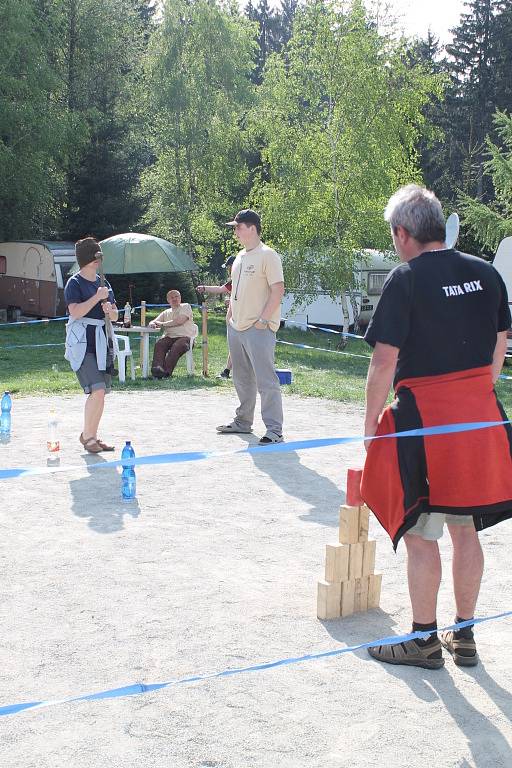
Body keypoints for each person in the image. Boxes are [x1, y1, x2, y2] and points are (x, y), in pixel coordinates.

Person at [361, 184, 512, 670]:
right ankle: (463, 635)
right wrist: (477, 390)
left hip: (427, 420)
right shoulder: (486, 274)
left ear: (403, 233)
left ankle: (424, 640)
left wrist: (370, 429)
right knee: (467, 532)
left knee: (422, 533)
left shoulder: (404, 278)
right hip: (481, 415)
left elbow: (383, 362)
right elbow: (500, 344)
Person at [216, 209, 285, 445]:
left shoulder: (268, 255)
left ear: (252, 228)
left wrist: (263, 320)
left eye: (238, 226)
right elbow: (235, 290)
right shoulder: (240, 257)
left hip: (259, 327)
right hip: (237, 326)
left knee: (266, 380)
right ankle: (243, 422)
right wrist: (231, 317)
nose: (235, 231)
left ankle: (275, 430)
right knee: (241, 378)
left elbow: (278, 290)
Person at [64, 237, 118, 453]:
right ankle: (88, 437)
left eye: (99, 257)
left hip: (101, 340)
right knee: (96, 389)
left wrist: (110, 311)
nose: (98, 261)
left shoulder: (104, 282)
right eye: (94, 257)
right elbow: (75, 312)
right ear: (86, 259)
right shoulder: (74, 283)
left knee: (101, 391)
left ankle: (91, 436)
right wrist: (96, 298)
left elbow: (114, 316)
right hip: (82, 342)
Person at [197, 255, 235, 379]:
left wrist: (234, 301)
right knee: (234, 346)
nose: (228, 270)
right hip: (233, 319)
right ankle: (227, 371)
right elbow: (220, 289)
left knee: (242, 346)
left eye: (229, 267)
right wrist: (204, 288)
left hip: (243, 319)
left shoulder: (246, 280)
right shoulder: (233, 281)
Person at [149, 289, 198, 378]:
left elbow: (179, 321)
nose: (175, 299)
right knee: (160, 344)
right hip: (169, 337)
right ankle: (157, 369)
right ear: (168, 300)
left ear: (180, 298)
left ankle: (165, 373)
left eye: (177, 296)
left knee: (177, 346)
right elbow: (154, 321)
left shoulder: (186, 307)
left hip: (185, 338)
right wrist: (152, 323)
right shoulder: (166, 312)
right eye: (172, 297)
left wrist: (162, 324)